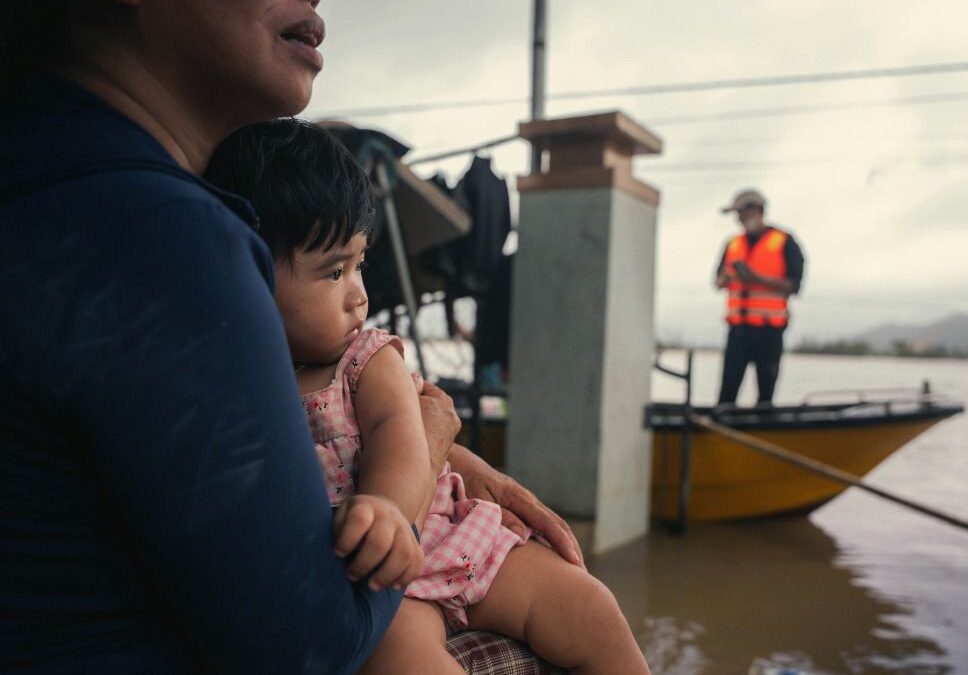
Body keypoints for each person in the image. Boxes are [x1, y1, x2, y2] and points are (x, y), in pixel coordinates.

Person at [0, 3, 580, 673]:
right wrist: (419, 467)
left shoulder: (47, 171)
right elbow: (314, 645)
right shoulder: (157, 234)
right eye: (333, 268)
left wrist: (435, 451)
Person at [204, 119, 649, 675]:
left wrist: (390, 506)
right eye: (334, 271)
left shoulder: (365, 358)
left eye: (359, 264)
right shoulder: (239, 381)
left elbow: (402, 431)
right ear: (250, 273)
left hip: (446, 534)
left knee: (590, 606)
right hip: (385, 588)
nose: (359, 295)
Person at [713, 188, 805, 406]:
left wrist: (757, 278)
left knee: (765, 398)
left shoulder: (785, 242)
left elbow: (794, 285)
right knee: (726, 396)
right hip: (738, 332)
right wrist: (725, 278)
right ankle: (720, 433)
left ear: (757, 211)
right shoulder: (732, 244)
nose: (739, 219)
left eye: (742, 213)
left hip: (769, 332)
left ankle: (762, 431)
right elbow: (717, 281)